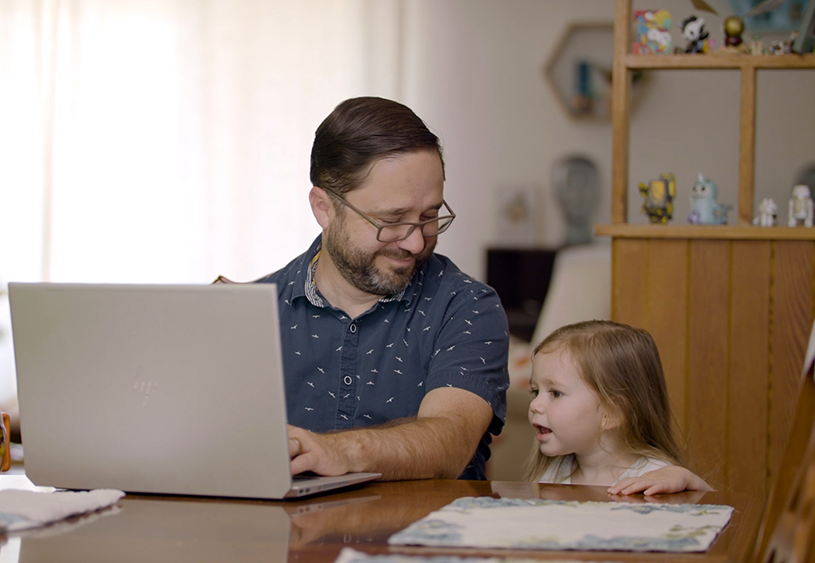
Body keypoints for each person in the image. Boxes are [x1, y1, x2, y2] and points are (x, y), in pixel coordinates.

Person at [256, 96, 510, 481]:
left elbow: (450, 440)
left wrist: (339, 450)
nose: (415, 243)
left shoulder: (468, 307)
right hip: (279, 538)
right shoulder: (254, 310)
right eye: (392, 220)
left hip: (426, 539)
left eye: (429, 216)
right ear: (324, 208)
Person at [525, 320, 711, 494]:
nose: (535, 405)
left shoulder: (656, 479)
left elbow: (713, 516)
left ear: (612, 412)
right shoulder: (555, 473)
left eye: (555, 393)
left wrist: (689, 480)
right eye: (535, 391)